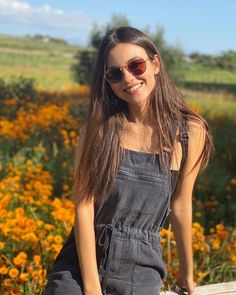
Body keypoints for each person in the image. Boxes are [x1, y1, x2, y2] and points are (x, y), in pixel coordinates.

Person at [44, 26, 214, 295]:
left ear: (155, 63)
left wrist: (187, 272)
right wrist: (91, 288)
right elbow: (84, 209)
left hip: (141, 267)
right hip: (81, 265)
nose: (128, 78)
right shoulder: (98, 130)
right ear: (108, 82)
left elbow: (181, 206)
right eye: (115, 73)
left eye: (136, 65)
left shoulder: (190, 132)